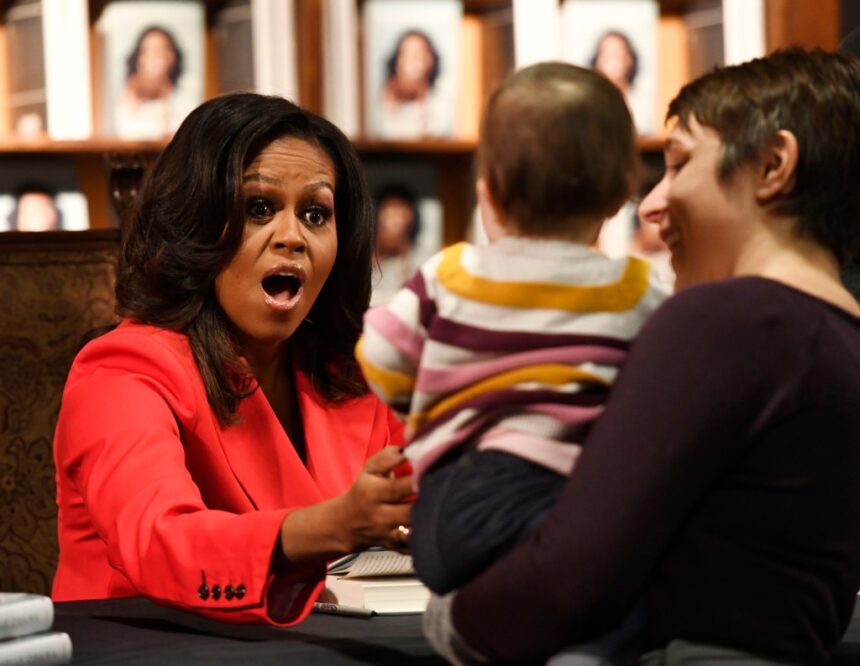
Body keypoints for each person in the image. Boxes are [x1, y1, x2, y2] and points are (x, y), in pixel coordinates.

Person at [422, 48, 860, 666]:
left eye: (678, 163)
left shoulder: (726, 322)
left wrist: (451, 620)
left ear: (773, 165)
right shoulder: (839, 336)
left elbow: (573, 573)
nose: (651, 205)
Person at [52, 93, 415, 626]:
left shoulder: (359, 370)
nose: (291, 237)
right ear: (196, 226)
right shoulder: (121, 370)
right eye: (259, 209)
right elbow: (160, 541)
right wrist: (333, 526)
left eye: (316, 214)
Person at [357, 62, 668, 661]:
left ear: (488, 187)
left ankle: (460, 625)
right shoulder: (635, 288)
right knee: (631, 598)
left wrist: (432, 399)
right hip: (556, 506)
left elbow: (378, 357)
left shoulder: (451, 274)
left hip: (442, 513)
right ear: (620, 191)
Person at [116, 26, 195, 139]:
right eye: (150, 50)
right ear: (139, 58)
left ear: (173, 56)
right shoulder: (129, 94)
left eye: (164, 49)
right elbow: (130, 134)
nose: (157, 56)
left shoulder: (185, 94)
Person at [377, 30, 448, 138]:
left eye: (419, 53)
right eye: (406, 54)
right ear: (397, 62)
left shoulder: (442, 100)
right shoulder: (385, 98)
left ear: (431, 60)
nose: (414, 60)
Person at [589, 30, 652, 135]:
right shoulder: (588, 102)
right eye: (607, 54)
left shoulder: (644, 101)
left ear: (630, 59)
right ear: (597, 61)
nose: (613, 60)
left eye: (618, 53)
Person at [371, 183, 421, 304]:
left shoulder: (418, 263)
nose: (396, 221)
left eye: (401, 212)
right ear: (379, 215)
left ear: (410, 217)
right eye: (391, 210)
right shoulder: (362, 259)